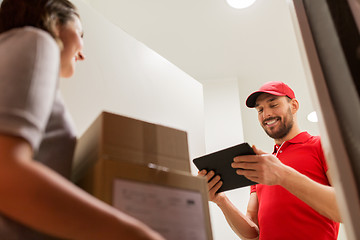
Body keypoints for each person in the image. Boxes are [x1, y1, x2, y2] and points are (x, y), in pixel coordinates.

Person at [0, 0, 165, 239]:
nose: (83, 54)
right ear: (54, 22)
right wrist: (135, 233)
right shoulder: (37, 41)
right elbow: (5, 175)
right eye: (79, 33)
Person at [199, 81, 341, 240]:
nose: (266, 114)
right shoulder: (262, 166)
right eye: (260, 110)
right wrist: (221, 200)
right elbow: (252, 231)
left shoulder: (321, 145)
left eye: (273, 105)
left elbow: (346, 209)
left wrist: (283, 175)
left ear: (293, 106)